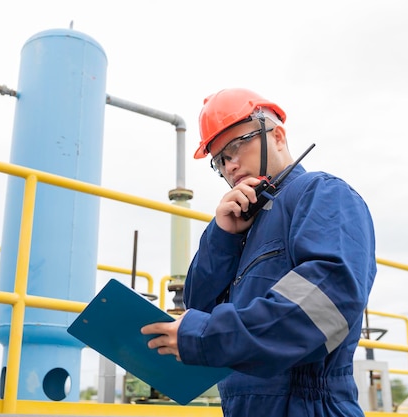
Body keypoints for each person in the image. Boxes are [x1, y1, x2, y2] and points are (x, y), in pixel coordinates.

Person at [141, 88, 377, 416]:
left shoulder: (321, 195)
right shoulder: (241, 225)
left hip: (308, 406)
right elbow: (198, 309)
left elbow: (323, 304)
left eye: (237, 146)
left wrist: (207, 337)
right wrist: (221, 238)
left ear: (277, 136)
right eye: (219, 160)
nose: (230, 165)